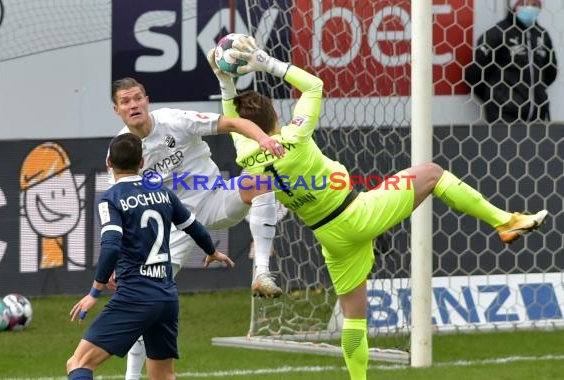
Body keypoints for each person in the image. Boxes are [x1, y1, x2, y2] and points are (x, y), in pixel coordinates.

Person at [208, 36, 548, 380]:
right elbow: (314, 86)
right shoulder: (294, 139)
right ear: (276, 119)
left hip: (330, 238)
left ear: (246, 130)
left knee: (354, 318)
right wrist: (268, 64)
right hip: (357, 213)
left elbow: (232, 119)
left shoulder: (245, 154)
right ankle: (505, 221)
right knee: (431, 174)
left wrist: (225, 81)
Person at [109, 77, 285, 379]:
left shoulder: (175, 121)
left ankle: (262, 272)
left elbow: (231, 123)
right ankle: (131, 377)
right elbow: (124, 208)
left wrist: (264, 139)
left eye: (137, 98)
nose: (133, 104)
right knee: (145, 300)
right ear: (117, 109)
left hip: (214, 198)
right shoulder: (122, 150)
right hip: (171, 226)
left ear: (147, 100)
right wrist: (118, 261)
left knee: (261, 183)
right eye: (125, 101)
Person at [66, 134, 234, 380]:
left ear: (109, 163)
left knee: (79, 363)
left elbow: (111, 247)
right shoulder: (163, 193)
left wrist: (95, 292)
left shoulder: (110, 199)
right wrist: (212, 252)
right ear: (142, 162)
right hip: (166, 298)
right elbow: (194, 227)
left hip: (134, 297)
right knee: (163, 375)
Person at [465, 0, 558, 124]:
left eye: (534, 5)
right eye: (523, 4)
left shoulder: (542, 35)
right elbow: (474, 74)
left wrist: (537, 95)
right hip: (504, 116)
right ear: (514, 6)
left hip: (537, 115)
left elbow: (551, 71)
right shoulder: (496, 33)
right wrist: (496, 99)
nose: (529, 8)